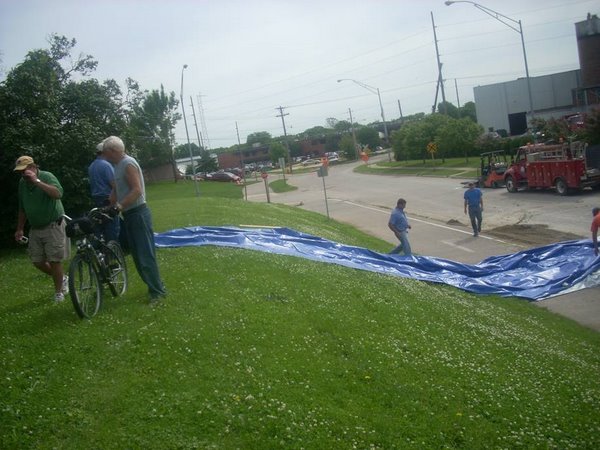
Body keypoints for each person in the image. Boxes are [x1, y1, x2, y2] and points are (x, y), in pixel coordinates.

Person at [102, 136, 167, 304]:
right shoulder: (117, 166)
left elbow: (137, 190)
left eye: (105, 152)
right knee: (138, 257)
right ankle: (156, 286)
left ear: (113, 151)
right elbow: (117, 189)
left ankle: (157, 293)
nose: (103, 155)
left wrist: (118, 206)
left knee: (145, 256)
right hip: (129, 215)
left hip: (138, 214)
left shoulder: (128, 164)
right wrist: (108, 204)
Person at [13, 156, 69, 302]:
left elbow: (58, 194)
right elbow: (22, 208)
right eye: (20, 172)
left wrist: (37, 182)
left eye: (24, 171)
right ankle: (63, 278)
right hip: (36, 227)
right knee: (37, 261)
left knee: (54, 260)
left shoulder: (47, 176)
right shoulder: (22, 183)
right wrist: (20, 229)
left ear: (32, 167)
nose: (22, 175)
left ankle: (59, 293)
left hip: (53, 224)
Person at [88, 141, 120, 242]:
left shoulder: (91, 166)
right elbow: (114, 185)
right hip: (108, 198)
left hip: (96, 199)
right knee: (112, 226)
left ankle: (99, 251)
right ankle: (112, 252)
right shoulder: (106, 165)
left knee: (100, 226)